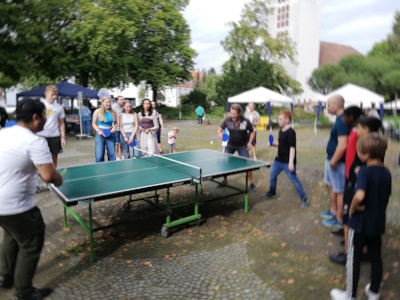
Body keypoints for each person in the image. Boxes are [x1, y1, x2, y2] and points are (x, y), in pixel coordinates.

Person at [0, 99, 63, 300]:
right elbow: (49, 176)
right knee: (31, 242)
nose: (47, 119)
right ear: (36, 117)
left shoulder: (3, 133)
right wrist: (59, 177)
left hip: (2, 207)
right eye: (45, 115)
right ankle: (23, 291)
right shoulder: (35, 141)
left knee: (11, 235)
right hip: (17, 206)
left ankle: (5, 276)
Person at [330, 133, 391, 300]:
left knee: (353, 258)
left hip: (359, 224)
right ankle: (374, 292)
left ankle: (350, 295)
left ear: (367, 155)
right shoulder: (386, 173)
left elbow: (360, 195)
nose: (357, 153)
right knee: (375, 257)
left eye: (359, 151)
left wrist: (352, 209)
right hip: (377, 223)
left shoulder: (364, 172)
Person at [329, 106, 364, 265]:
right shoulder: (354, 129)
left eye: (345, 116)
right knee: (346, 215)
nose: (342, 119)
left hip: (354, 177)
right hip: (349, 175)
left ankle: (348, 253)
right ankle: (349, 240)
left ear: (351, 117)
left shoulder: (361, 133)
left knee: (349, 214)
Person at [261, 110, 309, 207]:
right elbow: (281, 144)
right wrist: (272, 143)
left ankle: (304, 198)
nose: (278, 121)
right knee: (272, 176)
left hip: (288, 162)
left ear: (287, 120)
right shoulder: (280, 131)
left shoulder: (291, 132)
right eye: (278, 119)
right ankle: (272, 192)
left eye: (280, 119)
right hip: (278, 160)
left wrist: (291, 162)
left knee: (294, 180)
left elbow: (292, 147)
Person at [320, 95, 350, 229]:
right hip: (331, 159)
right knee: (329, 184)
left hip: (337, 162)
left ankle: (338, 219)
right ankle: (333, 211)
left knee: (339, 191)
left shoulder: (343, 121)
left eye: (329, 105)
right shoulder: (339, 120)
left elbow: (343, 144)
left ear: (337, 105)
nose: (327, 108)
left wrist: (334, 161)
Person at [217, 104, 256, 191]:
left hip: (242, 146)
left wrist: (250, 142)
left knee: (247, 164)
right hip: (230, 144)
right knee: (225, 161)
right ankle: (225, 180)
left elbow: (252, 132)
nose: (232, 115)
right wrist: (220, 133)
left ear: (239, 113)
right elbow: (219, 129)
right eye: (231, 113)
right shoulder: (227, 120)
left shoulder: (246, 121)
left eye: (234, 114)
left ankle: (252, 183)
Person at [36, 85, 66, 168]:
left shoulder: (59, 107)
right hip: (41, 136)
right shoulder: (39, 106)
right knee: (40, 158)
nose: (54, 97)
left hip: (54, 136)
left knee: (54, 157)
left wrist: (63, 137)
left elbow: (61, 123)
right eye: (52, 94)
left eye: (55, 94)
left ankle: (53, 176)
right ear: (46, 93)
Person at [92, 96, 117, 162]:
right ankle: (100, 171)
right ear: (102, 103)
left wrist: (114, 127)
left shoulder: (113, 112)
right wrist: (98, 131)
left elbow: (116, 123)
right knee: (99, 156)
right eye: (107, 102)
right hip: (100, 134)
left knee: (112, 156)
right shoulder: (97, 111)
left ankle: (112, 170)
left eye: (109, 102)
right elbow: (93, 123)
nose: (108, 104)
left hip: (110, 134)